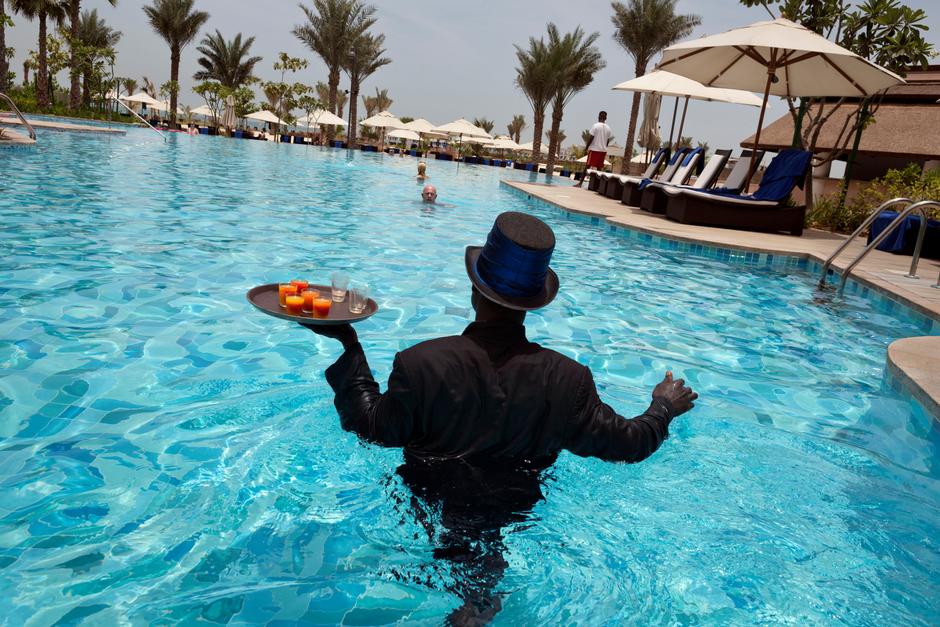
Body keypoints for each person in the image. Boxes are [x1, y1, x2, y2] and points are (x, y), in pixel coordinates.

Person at [306, 211, 697, 623]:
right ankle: (478, 600)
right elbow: (631, 445)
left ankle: (473, 596)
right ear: (533, 303)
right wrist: (663, 406)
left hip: (426, 495)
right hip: (513, 504)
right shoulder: (568, 380)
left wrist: (349, 344)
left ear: (475, 292)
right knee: (484, 546)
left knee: (448, 542)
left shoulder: (420, 363)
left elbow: (371, 428)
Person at [574, 110, 614, 188]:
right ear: (606, 118)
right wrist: (604, 147)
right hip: (603, 151)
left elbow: (591, 138)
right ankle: (599, 186)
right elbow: (607, 141)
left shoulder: (595, 126)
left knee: (587, 166)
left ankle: (580, 183)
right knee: (599, 168)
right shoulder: (608, 128)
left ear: (598, 117)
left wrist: (586, 148)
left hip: (595, 149)